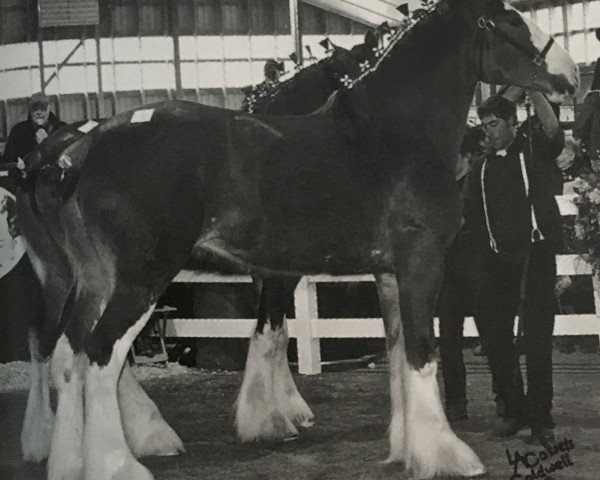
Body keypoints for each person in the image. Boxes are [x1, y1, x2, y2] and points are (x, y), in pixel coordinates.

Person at [465, 87, 564, 447]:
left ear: (512, 123)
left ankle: (541, 420)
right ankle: (513, 411)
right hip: (497, 263)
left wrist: (533, 86)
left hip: (536, 260)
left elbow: (553, 131)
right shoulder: (480, 169)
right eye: (483, 125)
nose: (487, 131)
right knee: (497, 341)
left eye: (494, 124)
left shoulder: (533, 152)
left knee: (536, 342)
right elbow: (472, 222)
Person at [439, 125, 488, 421]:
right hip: (449, 277)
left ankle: (507, 400)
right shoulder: (439, 190)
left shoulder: (480, 183)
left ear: (466, 156)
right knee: (448, 342)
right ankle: (456, 403)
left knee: (494, 340)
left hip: (480, 274)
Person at [2, 92, 66, 166]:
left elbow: (72, 158)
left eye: (43, 108)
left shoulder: (62, 129)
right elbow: (8, 161)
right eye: (35, 108)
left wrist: (47, 143)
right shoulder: (18, 131)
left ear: (49, 108)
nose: (39, 112)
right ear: (30, 109)